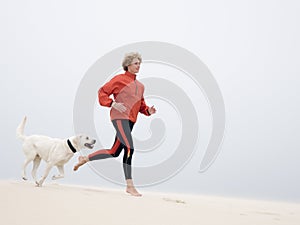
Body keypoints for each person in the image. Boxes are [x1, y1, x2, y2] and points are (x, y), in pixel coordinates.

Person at [73, 52, 156, 196]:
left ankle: (85, 158)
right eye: (136, 63)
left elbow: (141, 105)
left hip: (131, 120)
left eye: (139, 63)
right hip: (119, 118)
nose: (138, 66)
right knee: (129, 148)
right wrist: (112, 103)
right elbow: (102, 92)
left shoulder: (140, 86)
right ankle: (129, 185)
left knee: (114, 152)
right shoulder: (119, 79)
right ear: (128, 65)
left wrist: (148, 110)